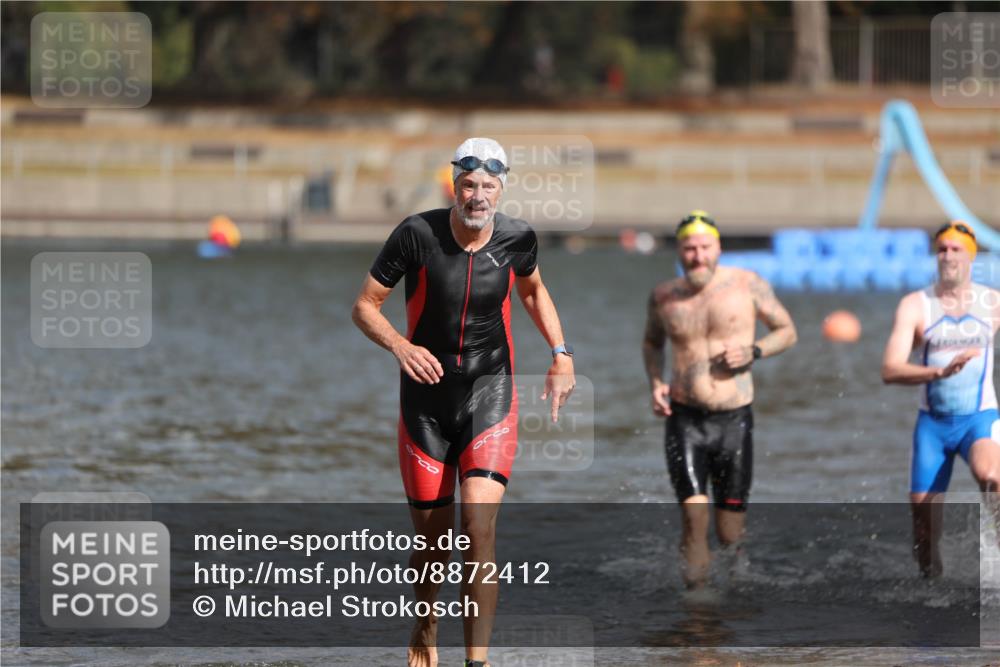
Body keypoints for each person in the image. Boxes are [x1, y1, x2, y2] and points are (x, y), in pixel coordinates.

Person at [352, 137, 576, 667]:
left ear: (501, 189)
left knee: (479, 525)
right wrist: (401, 347)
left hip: (490, 395)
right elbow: (365, 307)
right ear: (455, 186)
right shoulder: (416, 234)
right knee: (433, 545)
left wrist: (561, 353)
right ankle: (426, 620)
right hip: (425, 406)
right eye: (468, 184)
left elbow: (533, 290)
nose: (478, 195)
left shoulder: (519, 238)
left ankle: (478, 662)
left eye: (488, 186)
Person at [642, 210, 797, 588]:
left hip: (734, 420)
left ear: (718, 248)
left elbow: (787, 330)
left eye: (704, 247)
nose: (697, 256)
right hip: (685, 419)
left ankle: (736, 585)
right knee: (694, 520)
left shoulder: (748, 285)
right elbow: (651, 342)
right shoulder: (664, 296)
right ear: (679, 251)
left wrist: (754, 351)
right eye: (689, 248)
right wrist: (657, 381)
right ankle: (698, 607)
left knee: (730, 532)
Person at [881, 221, 1000, 578]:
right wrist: (939, 373)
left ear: (971, 257)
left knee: (993, 475)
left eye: (956, 249)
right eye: (942, 249)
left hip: (978, 418)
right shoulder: (916, 306)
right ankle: (931, 593)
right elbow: (890, 369)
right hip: (932, 427)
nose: (948, 255)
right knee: (924, 535)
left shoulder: (992, 303)